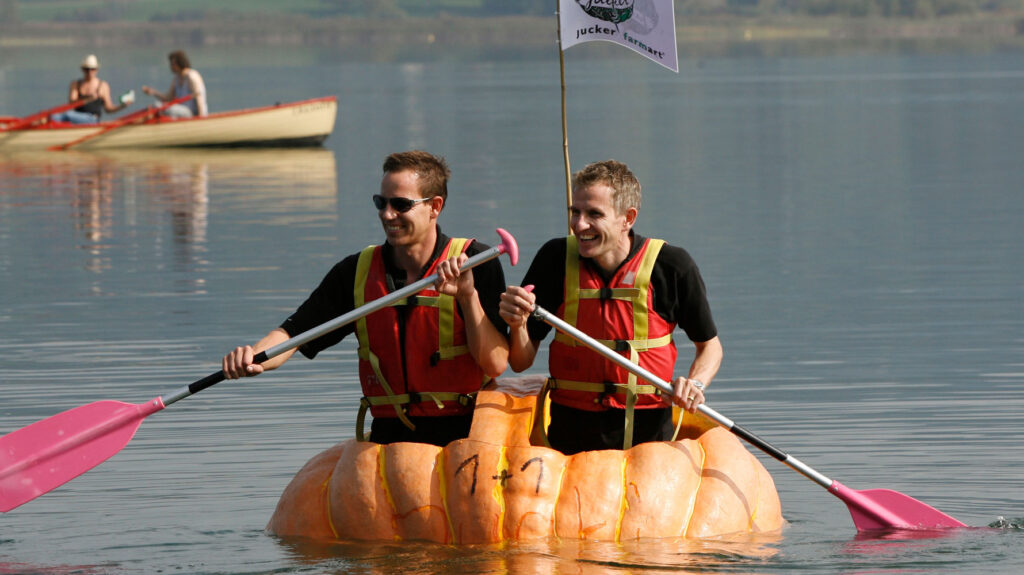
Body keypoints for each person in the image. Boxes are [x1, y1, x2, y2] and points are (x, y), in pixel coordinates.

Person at [222, 150, 509, 447]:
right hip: (390, 443)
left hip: (467, 440)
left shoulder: (476, 262)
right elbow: (292, 334)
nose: (387, 214)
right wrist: (253, 358)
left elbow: (496, 363)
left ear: (435, 207)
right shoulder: (355, 272)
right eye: (380, 203)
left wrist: (467, 296)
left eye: (401, 205)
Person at [499, 160, 723, 455]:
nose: (580, 225)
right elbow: (520, 362)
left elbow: (710, 347)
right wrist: (517, 325)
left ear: (627, 218)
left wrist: (696, 383)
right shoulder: (554, 259)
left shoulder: (671, 265)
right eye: (575, 212)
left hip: (649, 442)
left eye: (594, 214)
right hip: (571, 445)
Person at [51, 54, 134, 125]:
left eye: (92, 69)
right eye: (87, 69)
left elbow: (108, 109)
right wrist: (88, 99)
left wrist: (122, 106)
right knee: (53, 117)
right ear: (82, 69)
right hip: (76, 117)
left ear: (97, 69)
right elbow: (71, 103)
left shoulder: (103, 86)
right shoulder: (75, 84)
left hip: (92, 120)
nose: (90, 72)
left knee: (68, 115)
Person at [142, 50, 207, 119]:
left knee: (159, 107)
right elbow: (168, 98)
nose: (170, 66)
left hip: (193, 113)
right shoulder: (176, 79)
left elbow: (199, 98)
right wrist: (153, 92)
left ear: (180, 63)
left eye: (172, 64)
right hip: (181, 112)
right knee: (156, 106)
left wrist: (200, 118)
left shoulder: (191, 76)